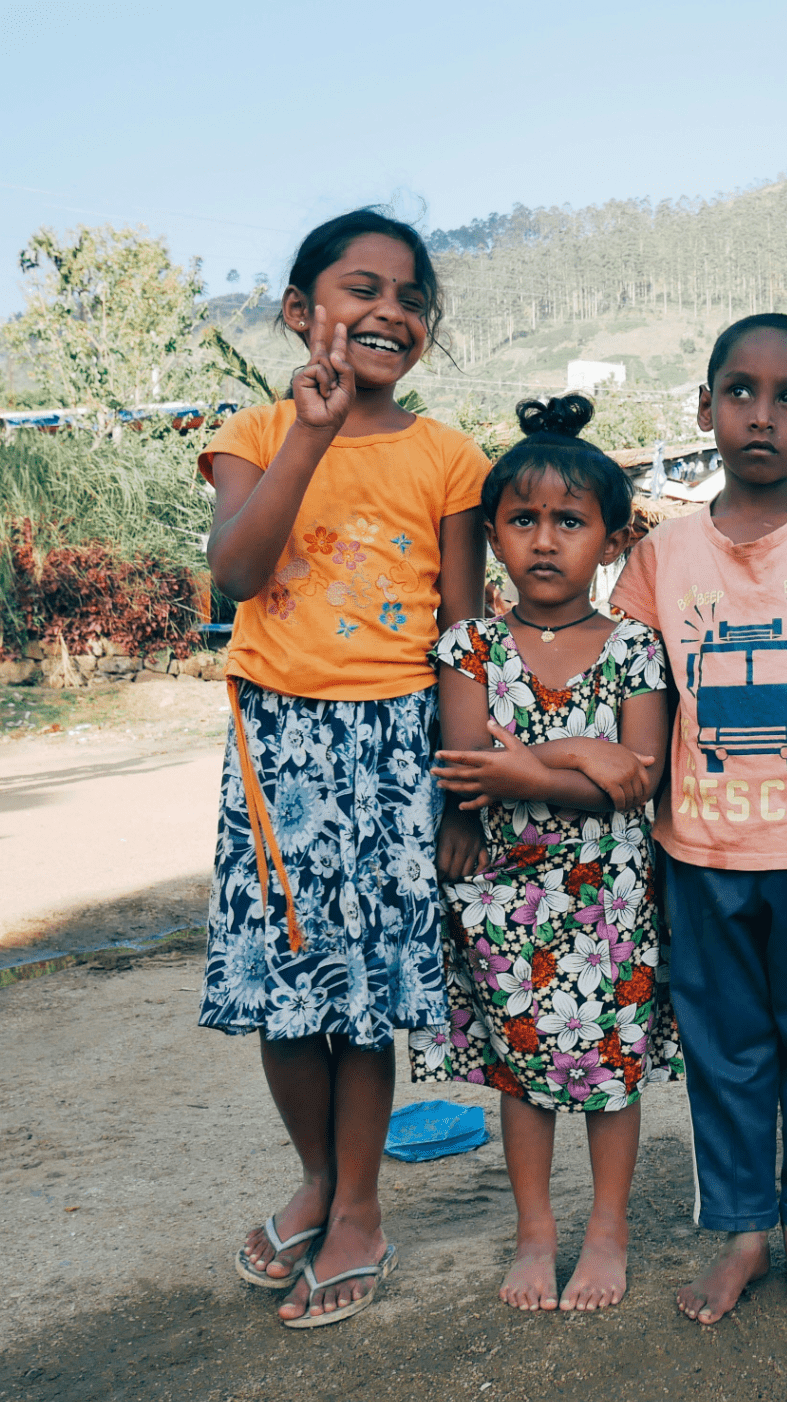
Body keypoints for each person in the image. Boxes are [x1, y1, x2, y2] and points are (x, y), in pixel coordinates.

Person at [200, 209, 488, 1327]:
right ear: (298, 312)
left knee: (366, 996)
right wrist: (307, 439)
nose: (390, 310)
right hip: (277, 740)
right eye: (361, 287)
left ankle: (360, 1204)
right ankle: (315, 1176)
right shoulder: (253, 429)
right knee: (287, 987)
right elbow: (235, 571)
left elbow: (462, 635)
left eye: (411, 297)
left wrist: (463, 784)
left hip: (395, 741)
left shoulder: (448, 456)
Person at [609, 313, 787, 1325]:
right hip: (700, 851)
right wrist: (648, 844)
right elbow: (642, 708)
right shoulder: (661, 558)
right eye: (739, 391)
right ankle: (741, 1228)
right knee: (722, 1047)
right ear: (703, 410)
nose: (762, 415)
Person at [418, 396, 680, 1314]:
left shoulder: (637, 647)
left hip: (610, 899)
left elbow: (639, 781)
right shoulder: (468, 646)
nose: (544, 539)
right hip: (504, 899)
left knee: (609, 1074)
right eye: (522, 520)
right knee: (521, 1076)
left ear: (611, 542)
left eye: (570, 521)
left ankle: (606, 1230)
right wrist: (581, 756)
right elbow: (469, 765)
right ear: (493, 535)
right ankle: (537, 1232)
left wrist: (529, 765)